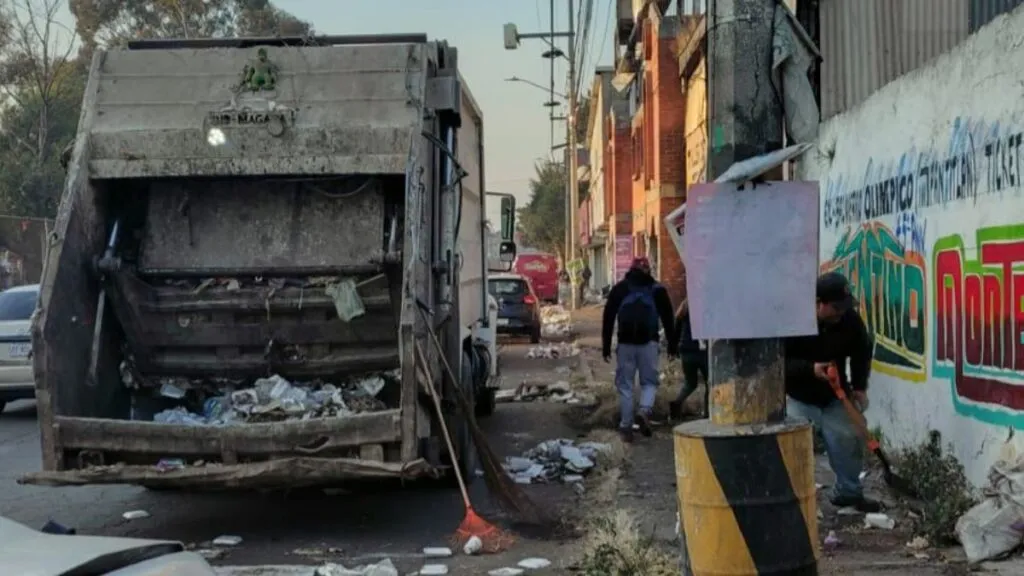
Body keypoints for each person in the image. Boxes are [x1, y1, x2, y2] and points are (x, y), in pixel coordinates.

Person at [786, 271, 879, 512]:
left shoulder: (850, 321)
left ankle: (849, 493)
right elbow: (778, 362)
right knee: (794, 447)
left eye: (844, 307)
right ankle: (793, 500)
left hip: (834, 395)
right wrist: (810, 369)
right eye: (836, 307)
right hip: (797, 395)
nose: (841, 312)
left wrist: (859, 388)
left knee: (848, 438)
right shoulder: (793, 321)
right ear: (818, 304)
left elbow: (861, 352)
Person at [601, 257, 677, 442]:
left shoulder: (620, 288)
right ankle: (644, 410)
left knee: (625, 385)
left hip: (625, 344)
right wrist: (673, 346)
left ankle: (626, 427)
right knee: (649, 382)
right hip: (649, 343)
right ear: (648, 270)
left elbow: (608, 317)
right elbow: (668, 319)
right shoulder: (657, 290)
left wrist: (606, 346)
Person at [668, 298, 708, 420]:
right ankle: (708, 413)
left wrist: (673, 349)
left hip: (685, 350)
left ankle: (676, 404)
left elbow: (676, 330)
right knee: (710, 383)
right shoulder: (706, 305)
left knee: (690, 383)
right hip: (701, 351)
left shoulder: (685, 306)